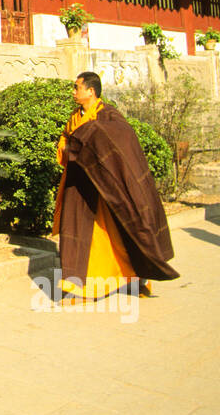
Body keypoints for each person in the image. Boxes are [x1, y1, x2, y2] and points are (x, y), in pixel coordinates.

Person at [52, 72, 179, 299]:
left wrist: (88, 139)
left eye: (76, 87)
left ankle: (140, 278)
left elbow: (121, 141)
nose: (73, 91)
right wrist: (71, 146)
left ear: (91, 91)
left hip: (109, 188)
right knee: (83, 236)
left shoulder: (109, 115)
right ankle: (80, 288)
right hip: (81, 188)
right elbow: (67, 142)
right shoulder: (74, 117)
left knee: (124, 232)